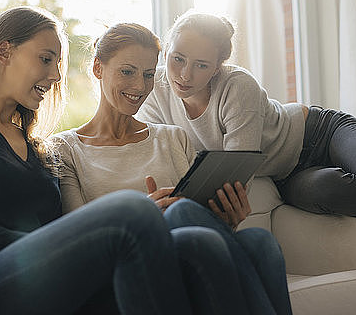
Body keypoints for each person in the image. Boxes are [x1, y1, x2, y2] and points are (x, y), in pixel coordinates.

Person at [0, 6, 231, 315]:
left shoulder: (37, 147)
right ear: (4, 52)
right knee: (133, 209)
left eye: (58, 64)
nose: (56, 76)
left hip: (51, 277)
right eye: (46, 59)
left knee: (196, 242)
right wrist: (33, 244)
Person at [53, 23, 293, 315]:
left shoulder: (172, 136)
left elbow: (200, 218)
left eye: (149, 75)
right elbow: (78, 236)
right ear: (98, 68)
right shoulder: (66, 148)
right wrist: (142, 215)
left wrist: (227, 216)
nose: (140, 87)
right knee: (182, 216)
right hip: (129, 264)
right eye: (127, 72)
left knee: (260, 241)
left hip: (196, 256)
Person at [136, 10, 356, 217]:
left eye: (201, 65)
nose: (184, 75)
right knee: (330, 191)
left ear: (219, 65)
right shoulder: (154, 93)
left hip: (320, 133)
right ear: (166, 52)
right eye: (178, 59)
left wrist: (185, 199)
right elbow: (160, 160)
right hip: (285, 173)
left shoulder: (237, 85)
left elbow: (238, 170)